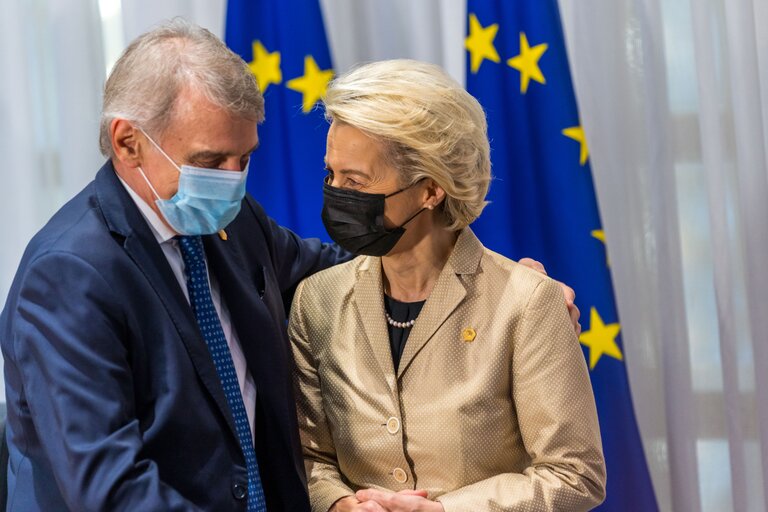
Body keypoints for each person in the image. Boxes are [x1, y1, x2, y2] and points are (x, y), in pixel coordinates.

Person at [0, 21, 579, 512]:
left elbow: (341, 267)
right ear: (128, 143)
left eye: (243, 158)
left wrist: (494, 286)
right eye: (209, 160)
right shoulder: (69, 276)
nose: (231, 179)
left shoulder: (226, 220)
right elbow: (110, 489)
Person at [289, 59, 606, 512]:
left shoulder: (527, 301)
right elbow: (309, 456)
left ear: (431, 189)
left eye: (355, 181)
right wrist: (339, 504)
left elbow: (575, 474)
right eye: (331, 175)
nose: (336, 193)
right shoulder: (316, 301)